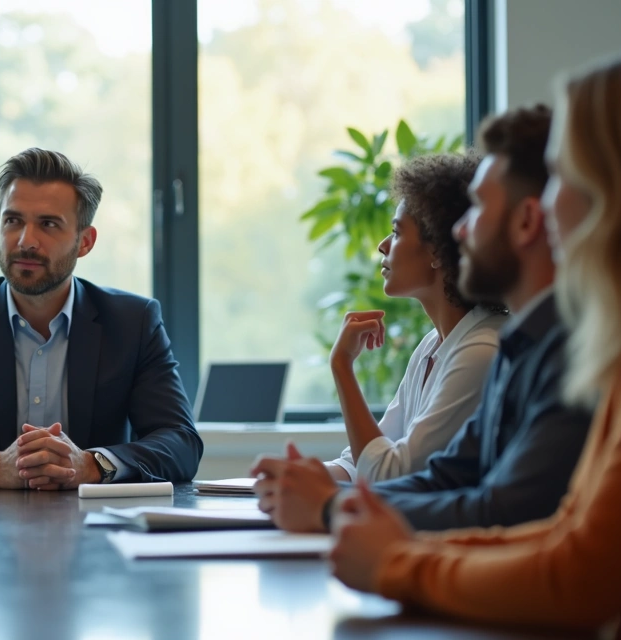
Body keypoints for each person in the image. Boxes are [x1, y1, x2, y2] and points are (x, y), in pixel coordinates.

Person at [329, 53, 621, 637]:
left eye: (566, 176)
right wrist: (361, 522)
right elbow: (561, 530)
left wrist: (392, 559)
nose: (549, 203)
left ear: (616, 188)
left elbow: (574, 568)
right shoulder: (616, 345)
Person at [252, 105, 592, 533]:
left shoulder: (524, 352)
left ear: (526, 220)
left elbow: (492, 509)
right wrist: (320, 494)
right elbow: (442, 479)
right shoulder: (514, 348)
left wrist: (330, 508)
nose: (461, 231)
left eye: (479, 208)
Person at [0, 147, 202, 489]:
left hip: (99, 529)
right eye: (13, 221)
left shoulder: (134, 323)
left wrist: (92, 464)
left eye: (48, 224)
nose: (26, 241)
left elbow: (181, 443)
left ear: (85, 242)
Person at [326, 152, 507, 482]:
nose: (383, 246)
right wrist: (290, 475)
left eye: (396, 232)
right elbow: (361, 462)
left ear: (437, 251)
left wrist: (342, 367)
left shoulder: (482, 350)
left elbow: (389, 473)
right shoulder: (431, 347)